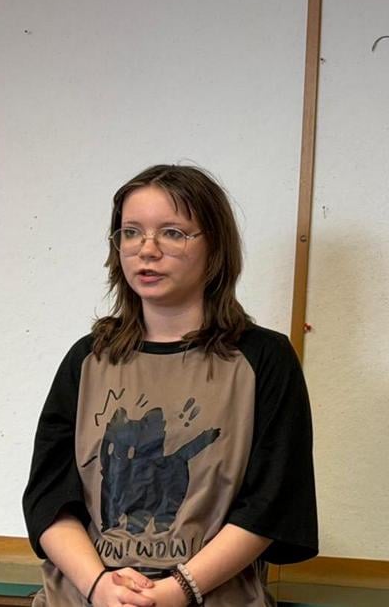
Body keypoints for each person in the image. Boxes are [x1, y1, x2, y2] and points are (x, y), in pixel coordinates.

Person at [22, 164, 317, 606]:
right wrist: (99, 586)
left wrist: (176, 591)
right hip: (86, 596)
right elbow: (50, 499)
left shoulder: (264, 360)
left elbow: (270, 505)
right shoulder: (88, 358)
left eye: (173, 233)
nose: (148, 249)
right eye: (131, 233)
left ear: (214, 247)